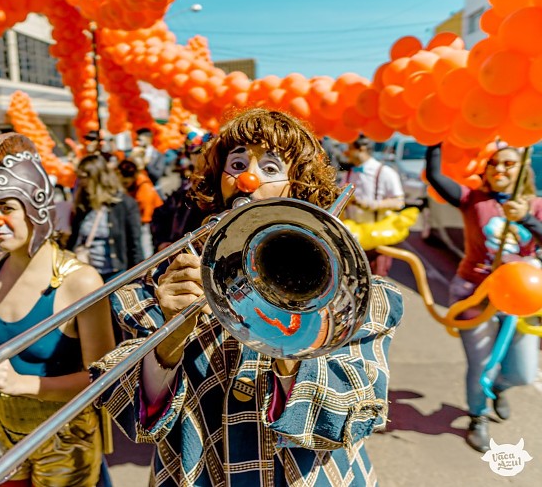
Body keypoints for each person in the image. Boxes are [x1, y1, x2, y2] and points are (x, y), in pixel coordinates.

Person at [91, 109, 404, 486]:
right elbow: (134, 413)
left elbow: (352, 411)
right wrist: (171, 336)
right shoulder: (165, 280)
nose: (247, 178)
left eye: (271, 168)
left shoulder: (352, 293)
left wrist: (293, 340)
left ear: (299, 187)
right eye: (236, 163)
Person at [0, 133, 115, 486]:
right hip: (2, 431)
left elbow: (105, 379)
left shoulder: (80, 281)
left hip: (67, 440)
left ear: (36, 209)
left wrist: (25, 384)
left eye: (6, 208)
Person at [425, 141, 542, 453]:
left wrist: (527, 219)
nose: (500, 169)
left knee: (523, 372)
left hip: (521, 298)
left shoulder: (537, 205)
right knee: (482, 365)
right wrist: (433, 137)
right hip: (473, 294)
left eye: (508, 164)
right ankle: (478, 416)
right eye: (494, 164)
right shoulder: (472, 199)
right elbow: (435, 176)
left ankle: (498, 389)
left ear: (522, 170)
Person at [68, 154, 145, 282]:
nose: (80, 182)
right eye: (79, 177)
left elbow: (135, 245)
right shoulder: (83, 205)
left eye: (84, 177)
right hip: (86, 275)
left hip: (115, 275)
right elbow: (73, 239)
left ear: (97, 177)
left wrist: (138, 278)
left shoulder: (124, 204)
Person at [344, 135, 405, 276]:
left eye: (349, 148)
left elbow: (399, 202)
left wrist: (372, 205)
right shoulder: (350, 172)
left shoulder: (386, 173)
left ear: (362, 149)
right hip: (354, 238)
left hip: (376, 240)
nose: (345, 153)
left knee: (375, 283)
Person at [117, 159, 163, 258]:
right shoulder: (134, 183)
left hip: (150, 219)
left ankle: (147, 261)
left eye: (125, 183)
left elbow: (145, 217)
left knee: (144, 241)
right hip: (141, 216)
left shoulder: (145, 189)